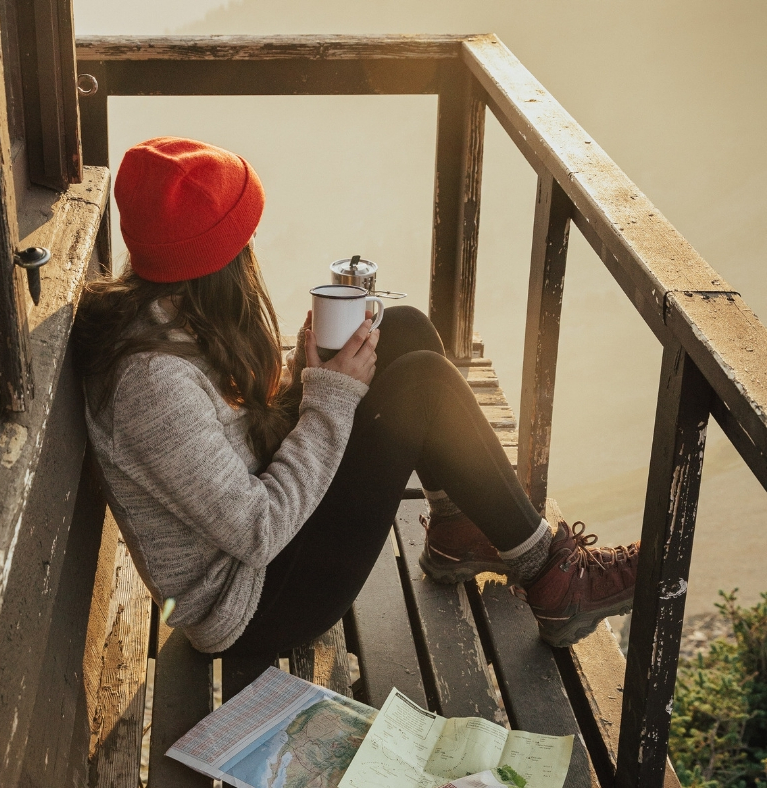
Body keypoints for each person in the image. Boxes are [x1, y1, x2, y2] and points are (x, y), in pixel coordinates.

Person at [73, 136, 639, 658]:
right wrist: (329, 398)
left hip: (271, 555)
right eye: (242, 237)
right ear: (214, 261)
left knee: (404, 329)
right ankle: (554, 580)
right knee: (421, 384)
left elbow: (230, 448)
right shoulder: (150, 386)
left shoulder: (168, 315)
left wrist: (303, 376)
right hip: (255, 606)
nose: (252, 250)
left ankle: (455, 526)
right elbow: (256, 528)